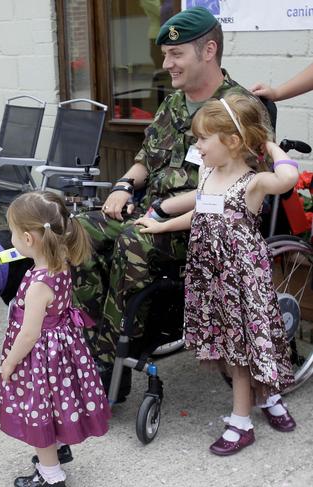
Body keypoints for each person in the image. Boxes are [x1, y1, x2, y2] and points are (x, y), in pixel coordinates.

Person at [72, 6, 273, 401]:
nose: (166, 64)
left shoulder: (239, 109)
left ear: (209, 50)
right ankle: (90, 345)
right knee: (79, 229)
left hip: (207, 224)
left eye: (175, 54)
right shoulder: (173, 105)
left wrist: (164, 210)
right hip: (152, 210)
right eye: (165, 54)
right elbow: (146, 159)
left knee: (134, 238)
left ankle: (114, 358)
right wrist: (124, 186)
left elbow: (240, 186)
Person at [136, 94, 297, 455]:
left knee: (243, 352)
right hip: (210, 278)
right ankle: (268, 397)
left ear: (233, 142)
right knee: (228, 347)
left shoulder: (253, 182)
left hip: (242, 279)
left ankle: (242, 423)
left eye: (203, 138)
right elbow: (200, 214)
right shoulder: (207, 172)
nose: (197, 145)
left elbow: (288, 177)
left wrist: (269, 143)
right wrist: (161, 225)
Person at [0, 191, 111, 487]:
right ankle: (58, 450)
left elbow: (29, 334)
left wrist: (9, 364)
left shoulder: (38, 283)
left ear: (27, 239)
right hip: (61, 349)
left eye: (12, 232)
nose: (10, 239)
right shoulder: (60, 263)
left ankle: (51, 475)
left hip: (39, 357)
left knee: (38, 412)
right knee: (57, 403)